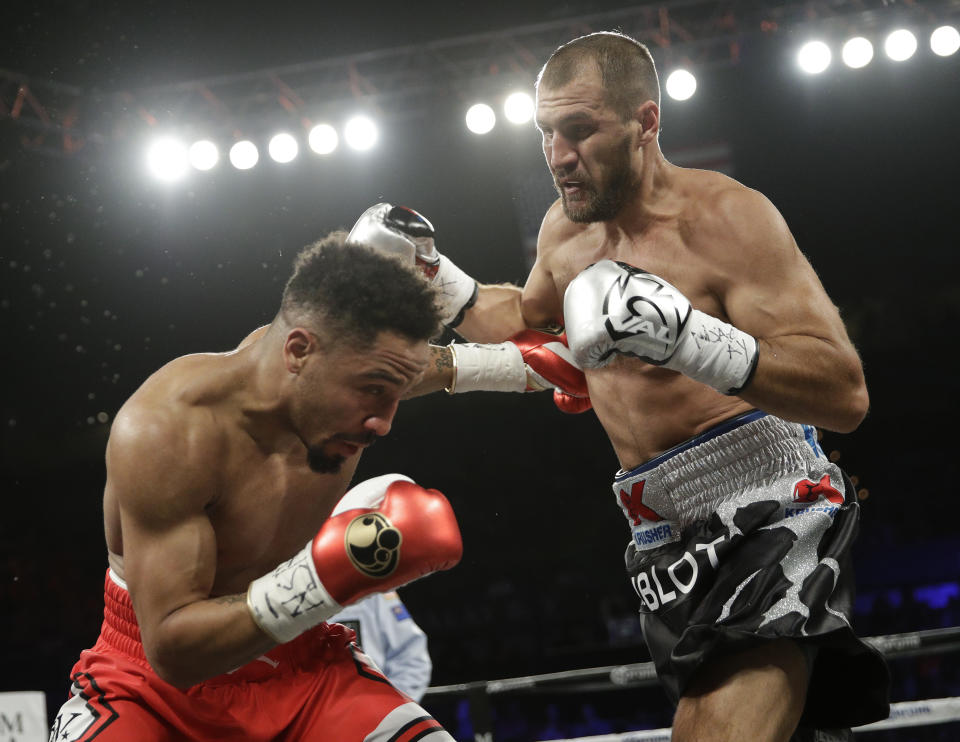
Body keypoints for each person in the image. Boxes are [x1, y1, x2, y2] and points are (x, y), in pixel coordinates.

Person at [347, 31, 890, 742]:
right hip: (659, 530)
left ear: (646, 123)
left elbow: (843, 394)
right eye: (546, 132)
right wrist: (435, 279)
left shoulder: (728, 220)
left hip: (770, 506)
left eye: (580, 130)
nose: (558, 155)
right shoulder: (564, 235)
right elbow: (525, 320)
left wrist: (690, 336)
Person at [48, 232, 464, 742]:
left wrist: (523, 367)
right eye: (374, 390)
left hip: (303, 669)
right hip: (151, 685)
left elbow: (439, 366)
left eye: (398, 392)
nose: (383, 422)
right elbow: (173, 651)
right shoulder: (170, 431)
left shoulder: (354, 378)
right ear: (298, 352)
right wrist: (329, 575)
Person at [330, 590, 433, 702]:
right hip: (314, 709)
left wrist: (390, 707)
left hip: (368, 707)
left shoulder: (373, 590)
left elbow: (412, 657)